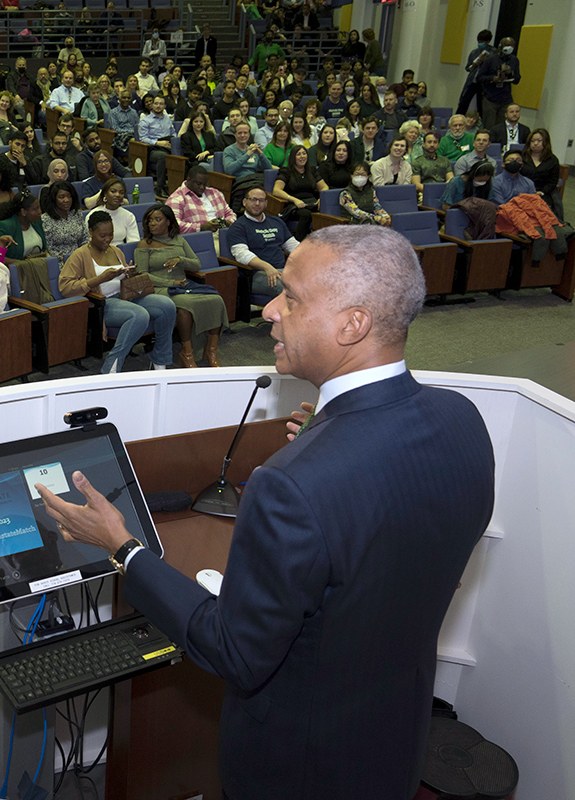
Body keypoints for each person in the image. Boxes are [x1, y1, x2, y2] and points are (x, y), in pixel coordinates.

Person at [38, 222, 494, 800]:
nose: (269, 310)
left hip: (298, 769)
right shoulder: (463, 421)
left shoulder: (290, 485)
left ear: (353, 324)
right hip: (392, 744)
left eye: (292, 296)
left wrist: (121, 546)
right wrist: (327, 439)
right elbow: (408, 553)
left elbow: (234, 651)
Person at [60, 210, 176, 373]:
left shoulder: (116, 251)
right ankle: (111, 366)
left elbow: (123, 282)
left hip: (126, 298)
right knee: (139, 314)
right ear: (91, 232)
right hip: (103, 304)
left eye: (111, 234)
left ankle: (160, 360)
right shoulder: (80, 255)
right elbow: (65, 287)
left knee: (166, 305)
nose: (108, 239)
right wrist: (101, 278)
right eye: (103, 236)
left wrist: (130, 274)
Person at [134, 203, 227, 367]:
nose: (152, 224)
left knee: (216, 299)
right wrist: (171, 282)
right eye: (150, 221)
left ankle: (211, 350)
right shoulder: (144, 245)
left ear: (168, 222)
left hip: (183, 285)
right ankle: (187, 353)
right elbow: (142, 275)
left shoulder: (178, 240)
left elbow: (196, 265)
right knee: (186, 306)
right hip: (158, 288)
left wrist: (180, 260)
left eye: (157, 219)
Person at [227, 185, 298, 295]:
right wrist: (267, 267)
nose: (257, 204)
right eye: (253, 199)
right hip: (258, 274)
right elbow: (242, 254)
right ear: (244, 202)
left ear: (266, 203)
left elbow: (293, 246)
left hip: (283, 270)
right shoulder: (238, 227)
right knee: (291, 289)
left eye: (261, 200)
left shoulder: (276, 222)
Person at [0, 192, 53, 304]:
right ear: (23, 212)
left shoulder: (36, 223)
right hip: (15, 274)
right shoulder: (4, 227)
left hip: (37, 269)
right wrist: (23, 264)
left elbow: (44, 249)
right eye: (35, 209)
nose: (40, 212)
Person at [272, 145, 327, 240]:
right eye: (298, 154)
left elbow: (324, 187)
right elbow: (276, 190)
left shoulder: (312, 170)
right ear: (293, 157)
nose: (302, 156)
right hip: (293, 205)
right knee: (306, 214)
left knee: (327, 213)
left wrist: (322, 198)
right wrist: (294, 200)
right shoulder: (286, 171)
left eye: (304, 153)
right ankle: (298, 245)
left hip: (311, 203)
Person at [166, 166, 236, 236]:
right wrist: (202, 227)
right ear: (188, 180)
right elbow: (174, 225)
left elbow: (230, 214)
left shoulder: (215, 193)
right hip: (197, 239)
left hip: (223, 235)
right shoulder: (177, 198)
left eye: (205, 184)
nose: (202, 187)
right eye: (198, 184)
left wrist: (228, 222)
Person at [136, 95, 177, 193]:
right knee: (163, 157)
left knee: (181, 155)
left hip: (169, 146)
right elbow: (143, 138)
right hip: (153, 149)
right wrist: (158, 142)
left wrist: (174, 143)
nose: (158, 106)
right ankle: (160, 188)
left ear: (165, 106)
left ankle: (176, 186)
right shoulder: (145, 121)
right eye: (156, 103)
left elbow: (173, 133)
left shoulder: (167, 119)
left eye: (161, 104)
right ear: (152, 105)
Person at [477, 38, 519, 129]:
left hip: (506, 98)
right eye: (507, 45)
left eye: (511, 46)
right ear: (501, 46)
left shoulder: (514, 60)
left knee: (506, 127)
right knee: (489, 127)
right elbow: (479, 78)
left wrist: (510, 74)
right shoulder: (491, 59)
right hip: (490, 98)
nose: (509, 48)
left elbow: (517, 79)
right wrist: (493, 78)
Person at [521, 129, 563, 218]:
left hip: (544, 191)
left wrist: (542, 192)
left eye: (539, 141)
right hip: (523, 190)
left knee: (547, 209)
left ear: (546, 142)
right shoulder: (522, 157)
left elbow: (553, 181)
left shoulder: (553, 160)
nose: (535, 143)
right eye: (533, 141)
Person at [339, 162, 391, 226]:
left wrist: (385, 216)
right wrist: (378, 218)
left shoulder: (371, 191)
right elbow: (356, 212)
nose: (359, 177)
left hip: (370, 223)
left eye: (363, 175)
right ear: (351, 176)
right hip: (353, 224)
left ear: (368, 177)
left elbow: (376, 206)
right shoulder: (345, 193)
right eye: (357, 174)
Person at [458, 29, 495, 116]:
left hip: (483, 83)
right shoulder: (474, 52)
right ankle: (458, 118)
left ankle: (480, 124)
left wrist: (486, 61)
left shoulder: (493, 53)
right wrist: (474, 65)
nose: (480, 43)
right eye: (479, 41)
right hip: (472, 81)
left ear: (488, 41)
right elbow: (468, 68)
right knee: (464, 101)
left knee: (481, 105)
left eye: (482, 41)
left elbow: (493, 68)